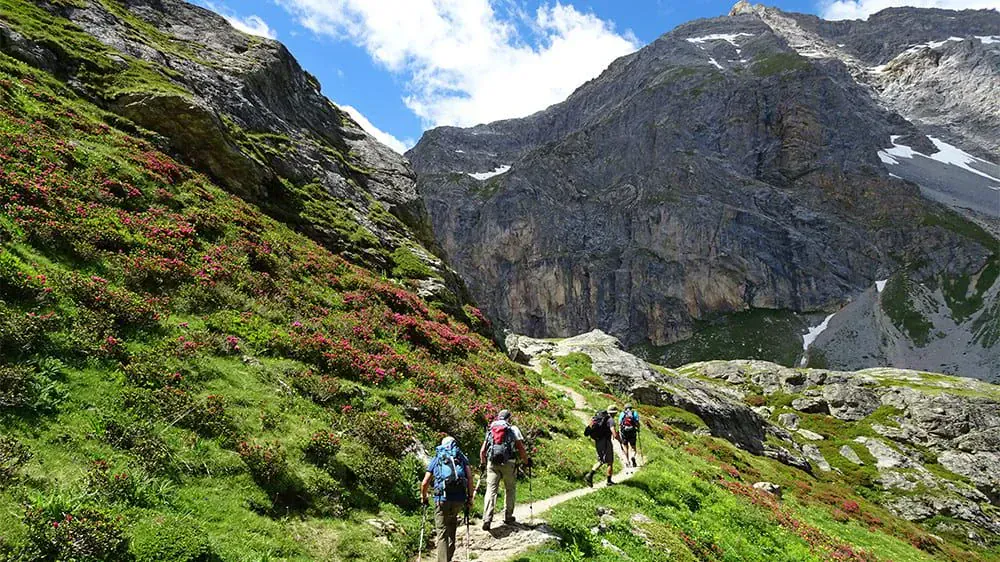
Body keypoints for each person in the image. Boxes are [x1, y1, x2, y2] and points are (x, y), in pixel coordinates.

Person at [421, 436, 474, 562]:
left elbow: (424, 483)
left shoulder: (438, 457)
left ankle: (443, 560)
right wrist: (470, 497)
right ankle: (448, 558)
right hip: (459, 498)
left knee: (442, 532)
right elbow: (470, 477)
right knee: (451, 527)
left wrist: (424, 497)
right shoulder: (461, 458)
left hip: (441, 498)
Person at [478, 409, 530, 531]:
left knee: (491, 491)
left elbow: (482, 451)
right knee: (510, 489)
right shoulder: (513, 429)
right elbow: (521, 448)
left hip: (492, 463)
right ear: (509, 418)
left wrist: (482, 463)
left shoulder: (491, 428)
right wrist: (526, 461)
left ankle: (487, 518)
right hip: (509, 463)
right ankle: (508, 516)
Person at [583, 405, 620, 487]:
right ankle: (608, 481)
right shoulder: (610, 420)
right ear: (615, 413)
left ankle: (590, 476)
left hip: (598, 441)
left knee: (601, 460)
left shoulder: (600, 418)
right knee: (609, 462)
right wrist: (620, 440)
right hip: (606, 441)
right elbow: (614, 433)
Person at [618, 404, 640, 468]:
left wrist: (620, 430)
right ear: (631, 408)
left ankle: (627, 462)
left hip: (624, 432)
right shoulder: (634, 413)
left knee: (625, 447)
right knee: (633, 447)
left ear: (625, 408)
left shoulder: (622, 413)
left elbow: (619, 423)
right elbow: (637, 422)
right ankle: (633, 456)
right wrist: (638, 429)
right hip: (632, 431)